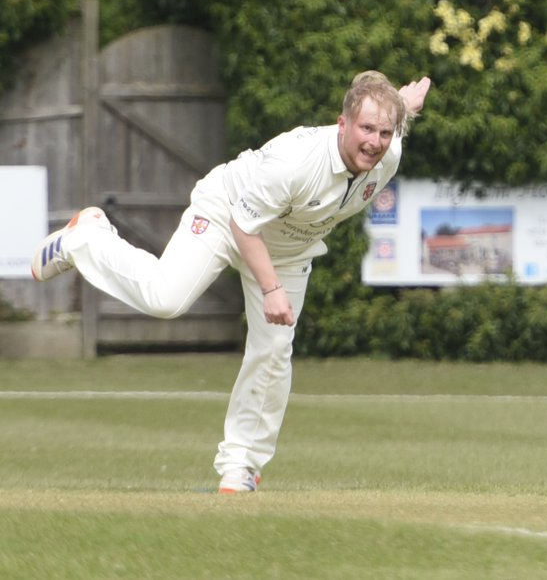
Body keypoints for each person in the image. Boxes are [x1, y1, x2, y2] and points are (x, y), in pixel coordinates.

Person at [31, 70, 430, 493]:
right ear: (342, 123)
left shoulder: (388, 152)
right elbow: (244, 224)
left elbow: (397, 116)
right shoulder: (295, 163)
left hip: (290, 247)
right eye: (366, 129)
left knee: (274, 350)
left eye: (385, 132)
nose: (375, 141)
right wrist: (271, 289)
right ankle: (87, 237)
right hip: (228, 216)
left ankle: (242, 465)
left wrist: (402, 109)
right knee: (165, 299)